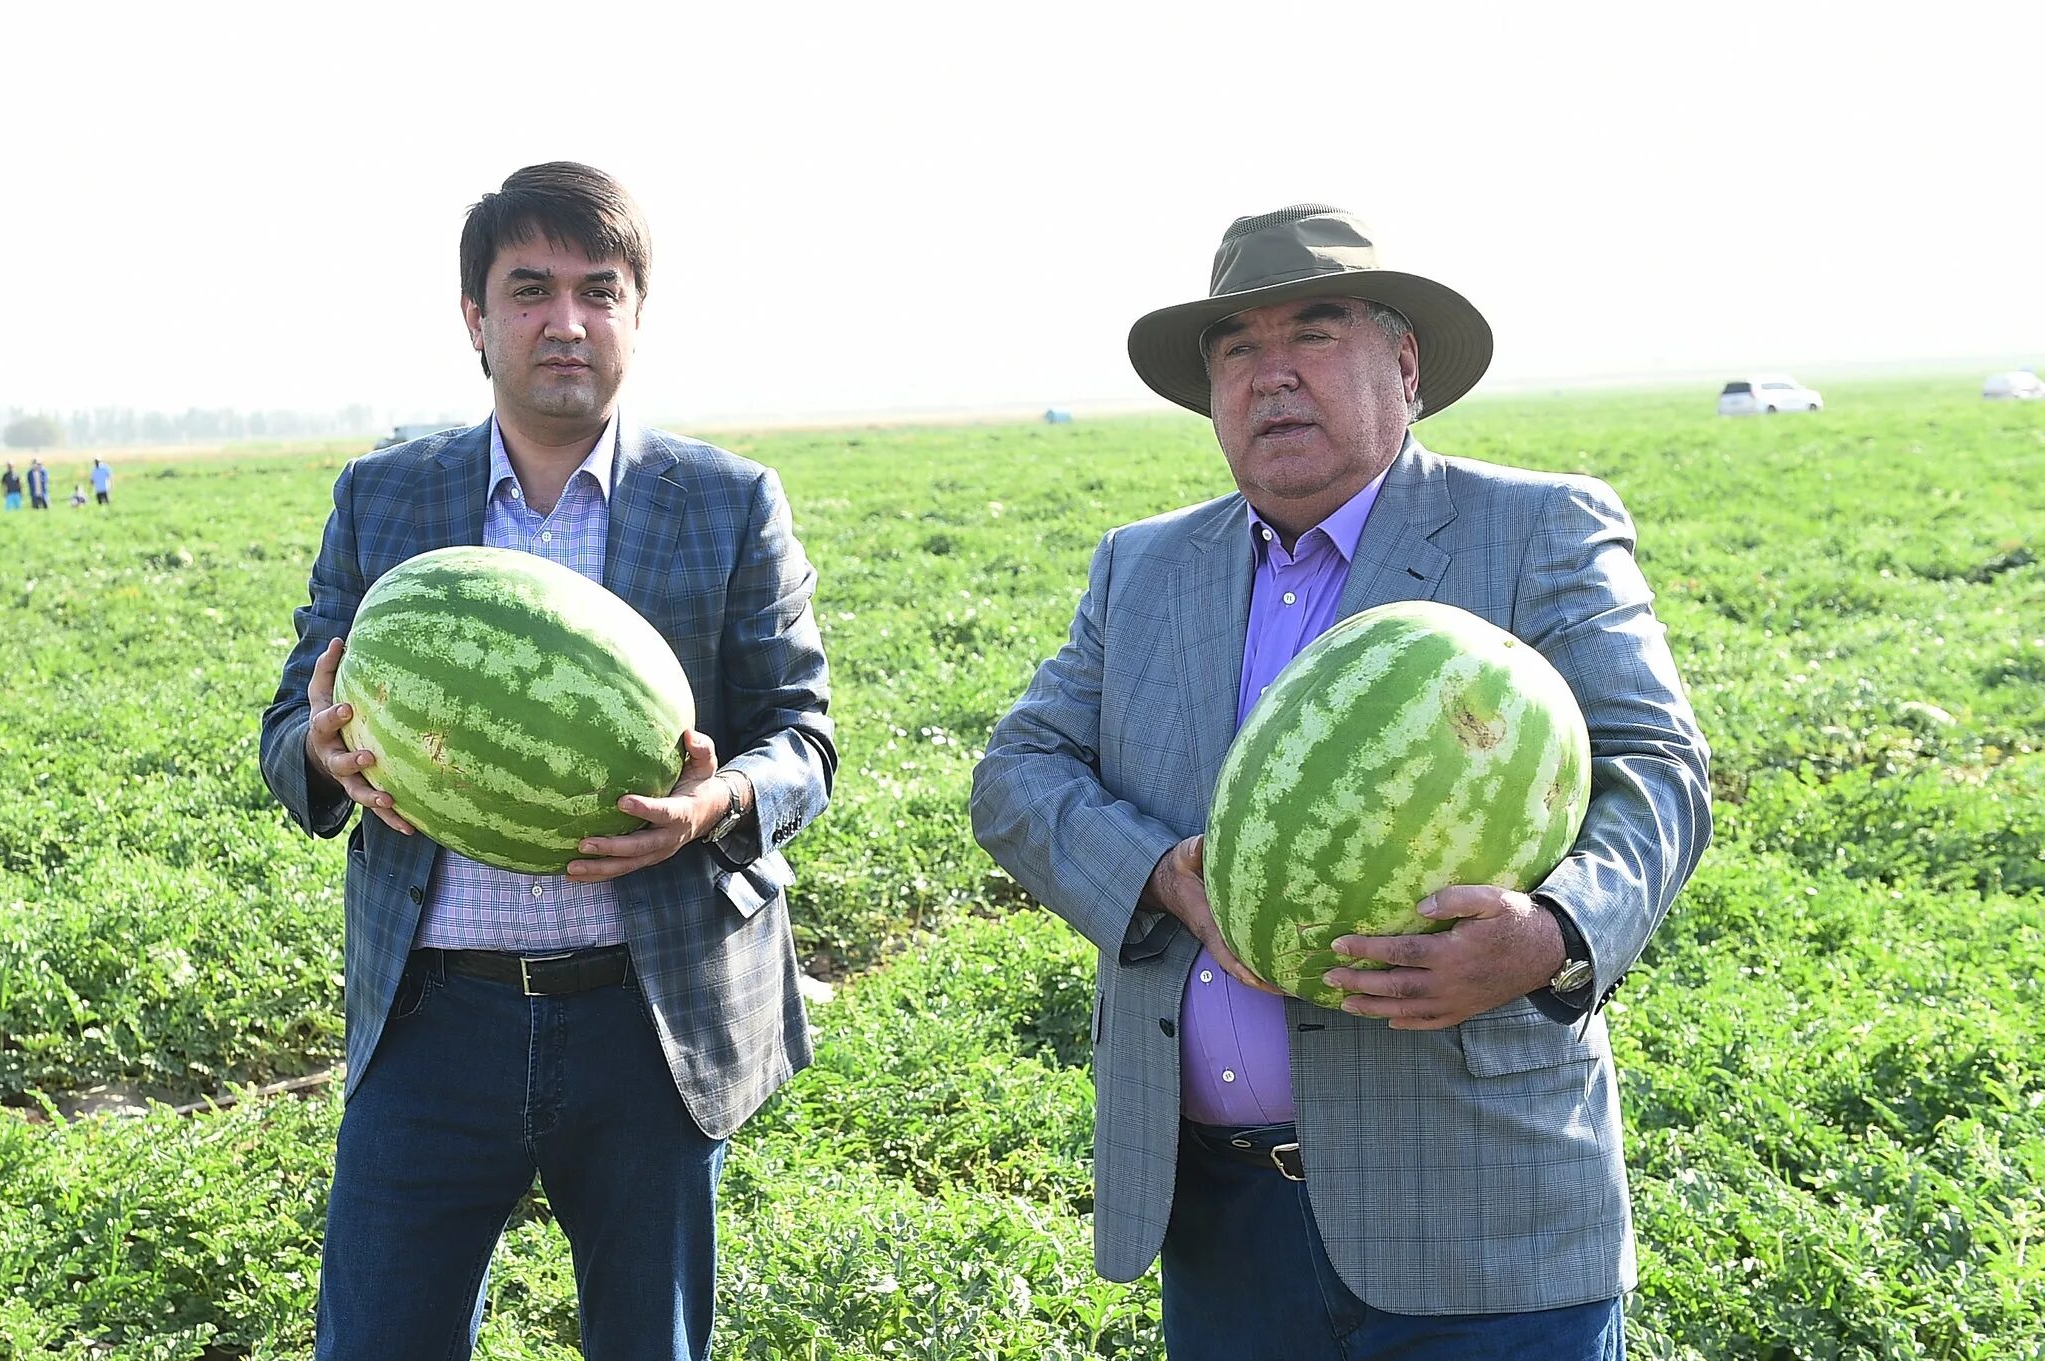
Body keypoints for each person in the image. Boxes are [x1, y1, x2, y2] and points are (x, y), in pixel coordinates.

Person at [971, 205, 1711, 1360]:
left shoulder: (1534, 528)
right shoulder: (1144, 565)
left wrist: (1553, 930)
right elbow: (1015, 774)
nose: (1271, 376)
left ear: (1402, 364)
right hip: (1219, 1223)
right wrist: (1161, 873)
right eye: (1236, 349)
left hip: (1476, 1220)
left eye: (1311, 334)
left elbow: (1654, 772)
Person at [259, 162, 836, 1361]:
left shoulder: (729, 502)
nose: (564, 321)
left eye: (597, 289)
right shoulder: (385, 496)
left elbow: (805, 738)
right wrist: (321, 751)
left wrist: (717, 798)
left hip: (645, 1019)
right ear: (476, 317)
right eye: (529, 290)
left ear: (635, 312)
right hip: (432, 1017)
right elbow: (284, 730)